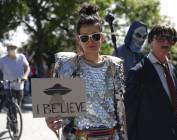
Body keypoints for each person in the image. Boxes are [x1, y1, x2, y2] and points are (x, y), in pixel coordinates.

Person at [45, 3, 127, 140]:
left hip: (111, 136)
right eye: (84, 37)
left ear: (102, 37)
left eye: (95, 36)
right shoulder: (68, 66)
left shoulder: (115, 66)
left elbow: (122, 109)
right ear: (78, 40)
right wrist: (50, 118)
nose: (90, 41)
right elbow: (53, 102)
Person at [125, 25, 177, 140]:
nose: (166, 42)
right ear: (150, 41)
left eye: (170, 39)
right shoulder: (137, 72)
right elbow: (130, 114)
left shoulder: (173, 70)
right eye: (160, 38)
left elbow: (172, 101)